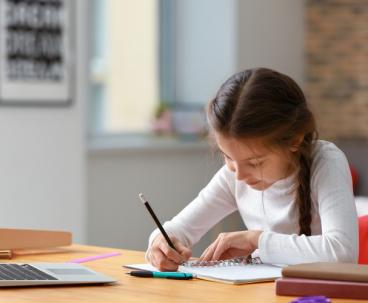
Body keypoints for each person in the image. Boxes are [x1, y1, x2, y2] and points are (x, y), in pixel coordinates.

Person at [146, 67, 358, 271]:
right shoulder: (234, 175)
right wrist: (160, 244)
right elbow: (178, 229)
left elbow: (342, 253)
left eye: (255, 163)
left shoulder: (325, 162)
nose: (239, 175)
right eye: (227, 157)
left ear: (294, 140)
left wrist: (255, 240)